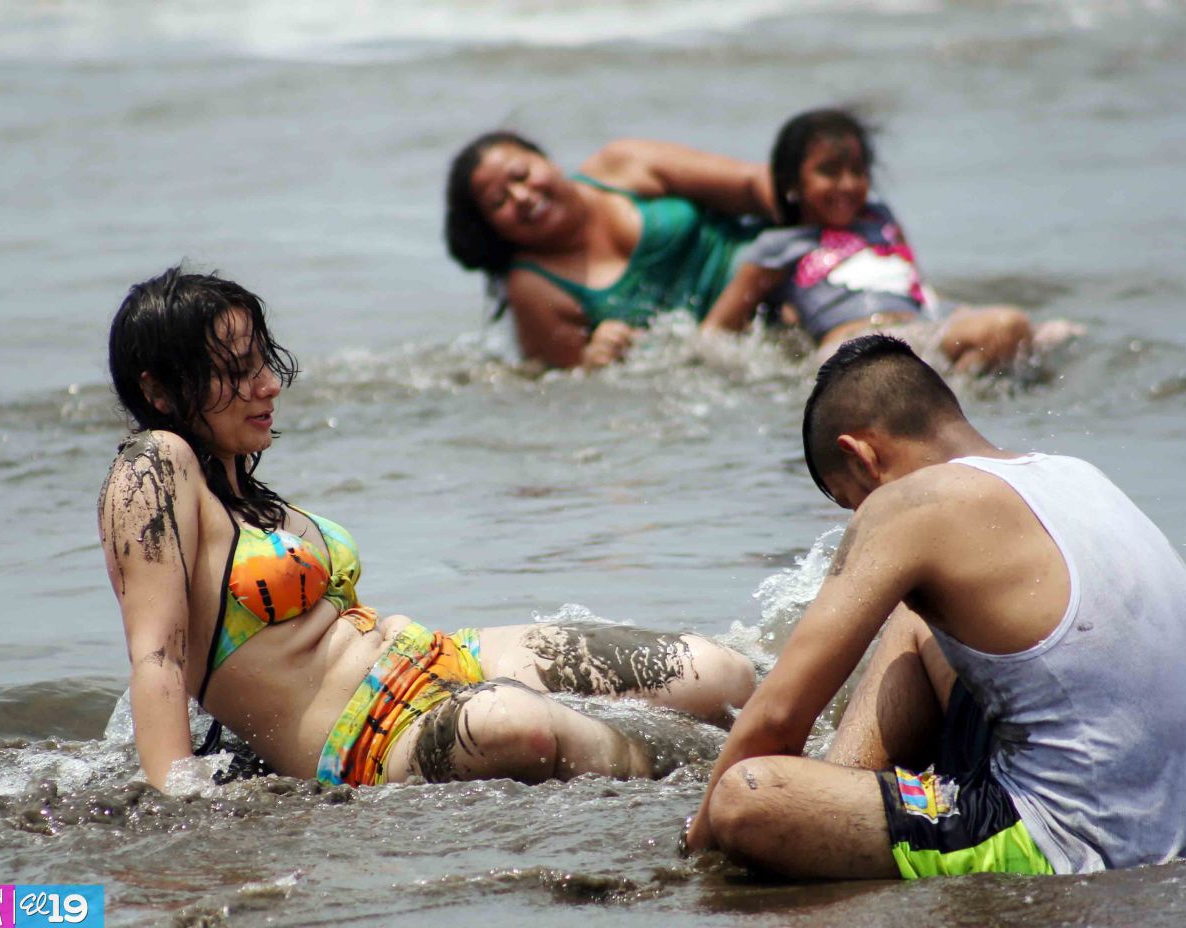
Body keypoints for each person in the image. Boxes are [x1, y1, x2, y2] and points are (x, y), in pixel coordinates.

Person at [98, 267, 756, 793]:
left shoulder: (244, 490)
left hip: (444, 656)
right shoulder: (153, 464)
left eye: (262, 361)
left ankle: (762, 752)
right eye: (238, 370)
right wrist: (176, 795)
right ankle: (735, 780)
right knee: (516, 726)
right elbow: (156, 653)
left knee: (717, 673)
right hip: (369, 738)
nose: (268, 384)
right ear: (160, 392)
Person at [683, 334, 1186, 878]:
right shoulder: (1072, 475)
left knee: (748, 795)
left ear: (862, 454)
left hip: (1076, 844)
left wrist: (698, 851)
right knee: (912, 620)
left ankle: (838, 818)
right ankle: (851, 794)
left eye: (850, 501)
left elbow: (775, 721)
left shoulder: (909, 503)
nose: (858, 516)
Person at [701, 108, 1080, 371]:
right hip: (855, 347)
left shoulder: (879, 220)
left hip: (915, 332)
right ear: (791, 183)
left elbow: (917, 289)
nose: (847, 184)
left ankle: (954, 397)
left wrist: (956, 313)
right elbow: (715, 333)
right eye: (829, 172)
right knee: (1005, 326)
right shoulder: (779, 247)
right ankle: (953, 403)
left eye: (857, 171)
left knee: (1061, 334)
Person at [444, 130, 774, 370]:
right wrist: (594, 359)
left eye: (522, 175)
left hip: (782, 268)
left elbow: (753, 183)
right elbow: (568, 386)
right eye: (498, 202)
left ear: (548, 160)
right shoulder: (535, 287)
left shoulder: (622, 165)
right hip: (729, 349)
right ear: (493, 230)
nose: (522, 197)